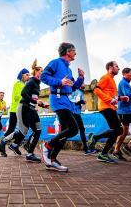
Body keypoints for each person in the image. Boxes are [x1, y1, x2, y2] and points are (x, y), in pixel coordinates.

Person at [40, 43, 84, 172]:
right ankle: (48, 145)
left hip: (67, 101)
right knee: (73, 129)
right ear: (68, 51)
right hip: (57, 100)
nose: (75, 53)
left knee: (66, 131)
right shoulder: (55, 62)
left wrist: (81, 78)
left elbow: (73, 87)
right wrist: (59, 82)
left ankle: (52, 160)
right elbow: (43, 76)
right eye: (74, 51)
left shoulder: (69, 70)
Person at [0, 60, 47, 162]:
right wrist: (35, 100)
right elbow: (23, 94)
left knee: (38, 130)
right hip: (24, 108)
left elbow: (33, 98)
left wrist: (40, 103)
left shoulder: (37, 84)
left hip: (32, 109)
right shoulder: (31, 81)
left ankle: (29, 152)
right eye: (42, 71)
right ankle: (4, 141)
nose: (44, 73)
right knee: (22, 131)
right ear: (36, 72)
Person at [87, 61, 128, 163]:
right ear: (110, 67)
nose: (118, 68)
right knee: (119, 130)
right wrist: (110, 100)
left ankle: (103, 154)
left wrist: (121, 98)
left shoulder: (112, 81)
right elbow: (96, 90)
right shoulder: (105, 77)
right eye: (116, 66)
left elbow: (112, 96)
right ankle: (95, 137)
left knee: (116, 131)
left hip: (111, 107)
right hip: (106, 107)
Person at [4, 69, 30, 140]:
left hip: (22, 109)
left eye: (29, 75)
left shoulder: (25, 85)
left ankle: (14, 143)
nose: (29, 76)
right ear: (22, 76)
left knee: (22, 128)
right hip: (15, 109)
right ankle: (2, 142)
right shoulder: (17, 84)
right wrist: (27, 97)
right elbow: (16, 96)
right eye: (27, 75)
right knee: (11, 129)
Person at [69, 85, 94, 155]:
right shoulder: (77, 91)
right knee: (79, 130)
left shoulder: (80, 92)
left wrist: (81, 102)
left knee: (74, 130)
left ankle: (86, 149)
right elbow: (74, 101)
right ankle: (86, 149)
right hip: (75, 113)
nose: (84, 84)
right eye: (82, 83)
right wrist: (81, 102)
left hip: (76, 113)